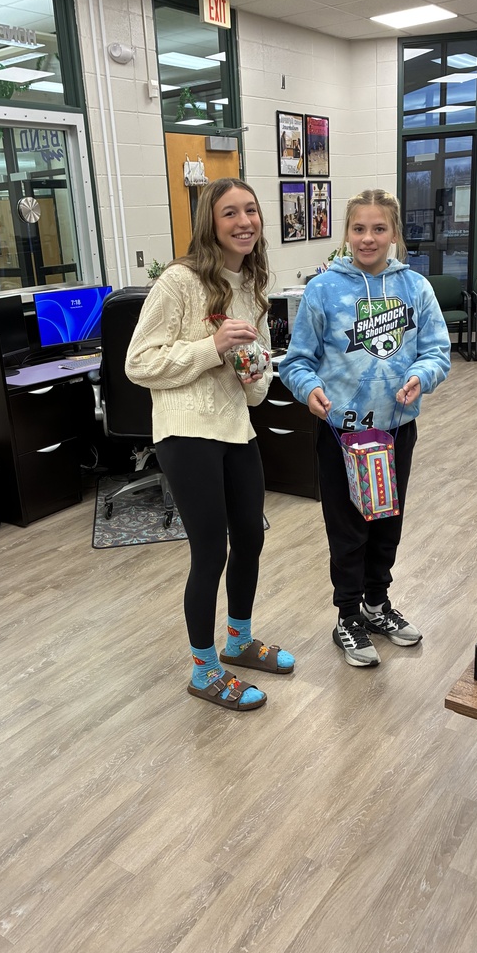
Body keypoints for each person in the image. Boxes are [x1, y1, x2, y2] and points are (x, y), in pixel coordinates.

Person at [125, 178, 295, 711]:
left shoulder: (251, 282)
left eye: (251, 211)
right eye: (230, 213)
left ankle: (239, 642)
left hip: (233, 428)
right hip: (185, 430)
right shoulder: (178, 282)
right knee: (209, 553)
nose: (244, 221)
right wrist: (211, 346)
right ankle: (203, 670)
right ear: (210, 224)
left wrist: (253, 370)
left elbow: (256, 385)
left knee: (250, 538)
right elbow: (138, 363)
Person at [279, 188, 450, 667]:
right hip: (341, 434)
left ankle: (377, 604)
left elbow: (437, 351)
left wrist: (421, 376)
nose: (368, 238)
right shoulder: (323, 290)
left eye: (379, 228)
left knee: (387, 523)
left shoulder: (416, 288)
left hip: (395, 431)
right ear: (346, 232)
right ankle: (347, 616)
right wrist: (307, 388)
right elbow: (297, 362)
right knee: (348, 527)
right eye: (359, 228)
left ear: (394, 232)